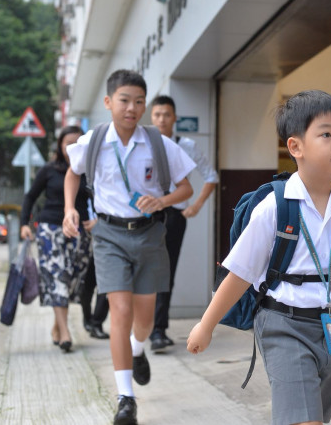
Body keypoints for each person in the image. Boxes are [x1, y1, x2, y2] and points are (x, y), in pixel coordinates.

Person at [187, 89, 331, 425]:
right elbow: (240, 273)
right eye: (326, 134)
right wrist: (206, 325)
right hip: (283, 324)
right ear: (295, 147)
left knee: (316, 418)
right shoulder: (275, 206)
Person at [63, 69, 196, 425]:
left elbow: (187, 189)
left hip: (150, 235)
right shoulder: (94, 140)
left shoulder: (157, 142)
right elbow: (73, 171)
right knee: (119, 311)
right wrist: (69, 209)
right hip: (108, 235)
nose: (132, 108)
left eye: (139, 101)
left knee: (145, 319)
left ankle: (138, 350)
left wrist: (162, 200)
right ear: (109, 102)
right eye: (124, 100)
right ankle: (126, 398)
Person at [149, 95, 219, 352]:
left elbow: (211, 176)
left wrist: (197, 205)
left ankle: (158, 330)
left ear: (174, 118)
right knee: (142, 271)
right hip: (144, 216)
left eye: (166, 115)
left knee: (165, 273)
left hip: (174, 216)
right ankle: (140, 326)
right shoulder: (142, 143)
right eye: (157, 115)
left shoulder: (185, 145)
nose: (161, 119)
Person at [20, 125, 92, 353]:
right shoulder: (49, 170)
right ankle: (66, 333)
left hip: (80, 232)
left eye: (77, 142)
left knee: (72, 281)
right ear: (60, 146)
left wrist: (97, 219)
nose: (72, 147)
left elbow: (102, 197)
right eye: (67, 143)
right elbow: (30, 196)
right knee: (56, 278)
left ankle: (57, 326)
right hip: (49, 228)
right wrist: (24, 224)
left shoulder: (89, 170)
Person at [80, 198, 110, 339]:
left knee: (107, 285)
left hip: (108, 239)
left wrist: (100, 222)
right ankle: (87, 318)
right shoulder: (77, 181)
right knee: (86, 284)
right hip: (84, 242)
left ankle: (97, 323)